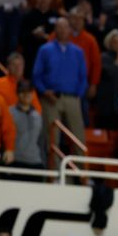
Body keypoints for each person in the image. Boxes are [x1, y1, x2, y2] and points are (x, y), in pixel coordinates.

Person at [32, 18, 87, 149]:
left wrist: (79, 95)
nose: (62, 30)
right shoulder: (45, 50)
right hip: (51, 99)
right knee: (51, 138)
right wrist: (44, 91)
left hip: (72, 98)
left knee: (78, 137)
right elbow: (36, 75)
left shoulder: (78, 52)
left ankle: (80, 169)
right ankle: (52, 169)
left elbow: (83, 77)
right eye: (59, 27)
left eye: (65, 27)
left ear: (70, 30)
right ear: (55, 30)